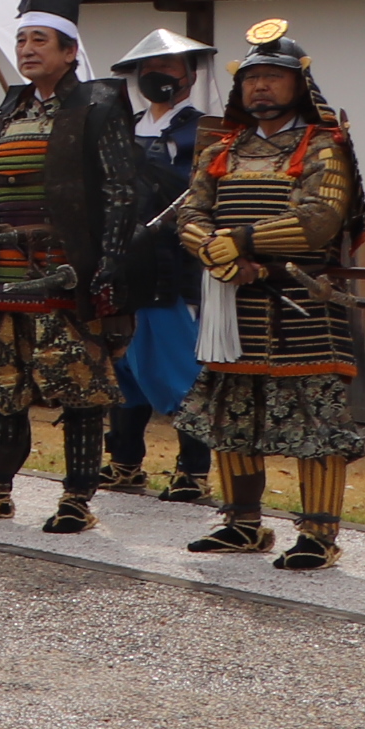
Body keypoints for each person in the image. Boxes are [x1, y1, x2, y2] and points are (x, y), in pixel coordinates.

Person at [0, 0, 142, 532]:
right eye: (23, 39)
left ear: (70, 51)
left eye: (40, 40)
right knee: (3, 383)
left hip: (66, 268)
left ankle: (77, 498)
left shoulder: (97, 107)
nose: (27, 49)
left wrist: (110, 262)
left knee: (78, 385)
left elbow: (123, 189)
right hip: (6, 266)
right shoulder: (12, 107)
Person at [165, 21, 365, 568]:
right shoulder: (221, 148)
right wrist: (207, 246)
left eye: (274, 76)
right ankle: (242, 525)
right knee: (231, 412)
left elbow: (320, 219)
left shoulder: (324, 145)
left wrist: (240, 239)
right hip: (231, 303)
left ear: (298, 84)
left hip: (299, 304)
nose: (261, 86)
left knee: (315, 422)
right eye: (252, 76)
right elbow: (190, 209)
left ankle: (320, 535)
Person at [103, 27, 215, 500]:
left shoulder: (208, 133)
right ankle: (125, 464)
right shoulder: (117, 130)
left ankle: (194, 472)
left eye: (168, 70)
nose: (157, 78)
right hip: (122, 266)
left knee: (176, 369)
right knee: (122, 368)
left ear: (189, 78)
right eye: (148, 71)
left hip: (174, 268)